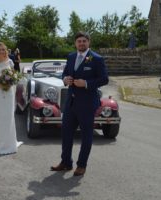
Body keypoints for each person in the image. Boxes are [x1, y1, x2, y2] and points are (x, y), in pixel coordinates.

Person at [51, 31, 109, 176]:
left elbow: (104, 79)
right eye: (79, 41)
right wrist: (65, 79)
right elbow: (64, 73)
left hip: (88, 104)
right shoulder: (71, 56)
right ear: (75, 43)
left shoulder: (96, 59)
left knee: (86, 135)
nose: (81, 43)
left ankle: (81, 165)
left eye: (84, 41)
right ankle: (65, 162)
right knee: (66, 133)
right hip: (70, 102)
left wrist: (87, 83)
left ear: (89, 42)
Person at [0, 42, 23, 154]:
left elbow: (13, 75)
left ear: (6, 51)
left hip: (9, 93)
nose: (1, 51)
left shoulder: (10, 62)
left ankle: (9, 144)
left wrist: (13, 79)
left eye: (3, 49)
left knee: (9, 117)